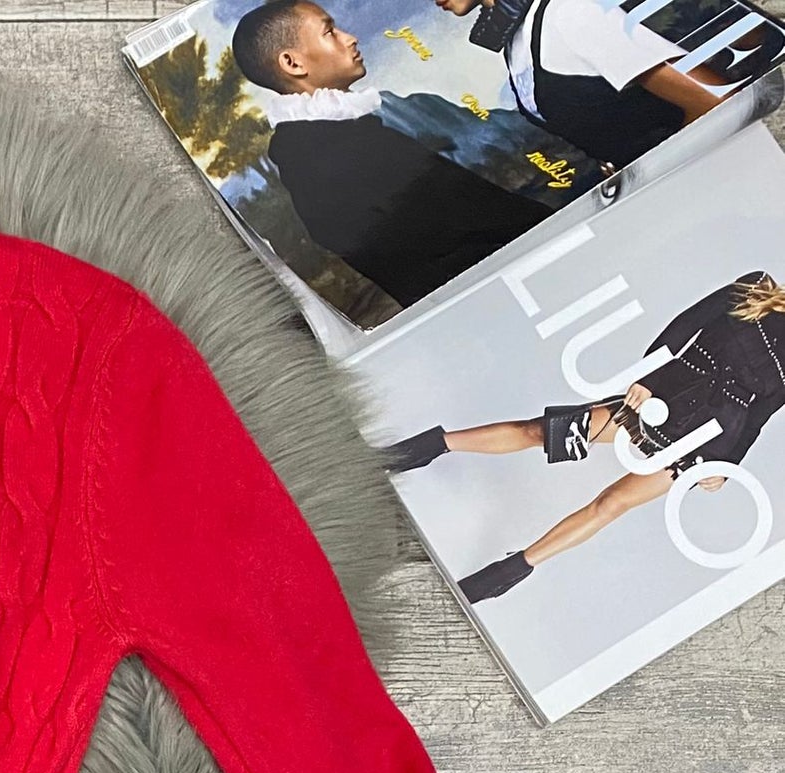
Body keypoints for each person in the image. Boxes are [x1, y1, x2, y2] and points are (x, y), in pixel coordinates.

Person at [378, 269, 785, 600]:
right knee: (539, 432)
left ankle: (504, 574)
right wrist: (646, 377)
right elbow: (684, 326)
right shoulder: (757, 287)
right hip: (664, 396)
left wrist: (725, 467)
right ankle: (428, 447)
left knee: (611, 504)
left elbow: (757, 418)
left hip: (704, 441)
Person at [233, 0, 553, 308]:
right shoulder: (337, 151)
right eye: (329, 32)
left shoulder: (312, 149)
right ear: (292, 63)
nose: (350, 38)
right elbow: (480, 213)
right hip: (510, 287)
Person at [432, 0, 725, 171]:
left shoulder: (568, 12)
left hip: (709, 172)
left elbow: (717, 101)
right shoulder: (516, 45)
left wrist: (659, 167)